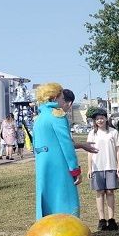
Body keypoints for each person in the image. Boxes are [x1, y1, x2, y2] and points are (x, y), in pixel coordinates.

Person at [33, 83, 91, 220]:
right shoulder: (57, 116)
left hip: (42, 166)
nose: (63, 100)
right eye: (61, 97)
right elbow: (66, 145)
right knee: (66, 201)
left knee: (46, 200)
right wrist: (75, 170)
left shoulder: (38, 118)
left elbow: (36, 145)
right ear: (55, 98)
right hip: (59, 166)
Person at [87, 108, 119, 231]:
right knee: (100, 192)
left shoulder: (113, 132)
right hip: (97, 167)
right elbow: (89, 152)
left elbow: (117, 150)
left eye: (102, 118)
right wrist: (89, 168)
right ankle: (102, 219)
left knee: (110, 192)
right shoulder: (92, 133)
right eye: (97, 119)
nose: (100, 121)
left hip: (110, 166)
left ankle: (111, 219)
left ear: (106, 119)